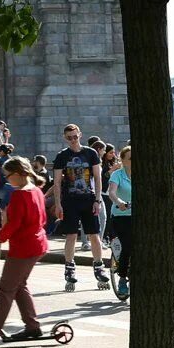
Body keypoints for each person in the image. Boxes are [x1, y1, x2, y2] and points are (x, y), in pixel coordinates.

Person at [0, 157, 48, 344]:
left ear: (19, 174)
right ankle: (32, 326)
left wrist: (1, 235)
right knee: (19, 285)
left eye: (8, 176)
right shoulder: (37, 190)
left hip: (23, 248)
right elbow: (43, 219)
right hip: (37, 244)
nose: (7, 180)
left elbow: (15, 223)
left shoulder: (20, 194)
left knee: (6, 288)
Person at [51, 124, 107, 290]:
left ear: (80, 135)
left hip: (88, 198)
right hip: (70, 201)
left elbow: (97, 178)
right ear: (65, 138)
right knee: (71, 235)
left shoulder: (91, 153)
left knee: (94, 235)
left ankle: (98, 266)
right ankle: (69, 268)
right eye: (69, 138)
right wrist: (58, 204)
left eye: (75, 137)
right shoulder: (62, 156)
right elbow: (57, 182)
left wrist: (98, 200)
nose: (73, 140)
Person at [105, 146, 134, 299]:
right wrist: (119, 202)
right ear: (122, 160)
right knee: (128, 246)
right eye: (130, 159)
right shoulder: (117, 175)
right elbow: (112, 192)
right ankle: (122, 279)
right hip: (121, 216)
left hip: (138, 216)